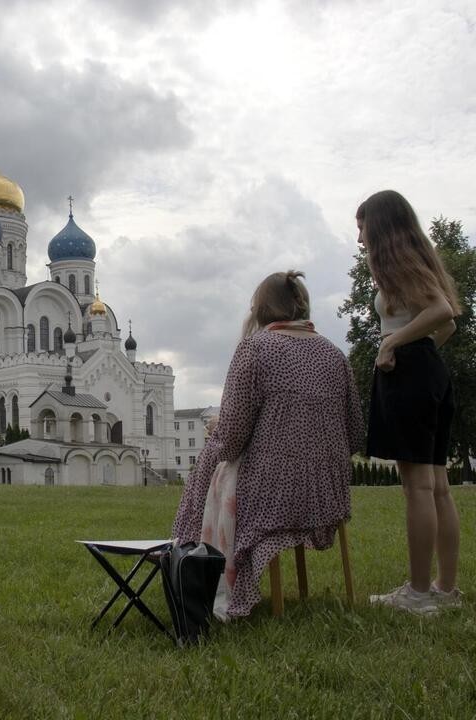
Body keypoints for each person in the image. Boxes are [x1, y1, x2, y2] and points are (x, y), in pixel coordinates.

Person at [173, 271, 363, 619]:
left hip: (271, 494)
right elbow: (355, 433)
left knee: (214, 470)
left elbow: (231, 438)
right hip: (326, 494)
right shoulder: (336, 355)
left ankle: (193, 564)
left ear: (260, 309)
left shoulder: (256, 348)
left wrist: (215, 446)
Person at [357, 190, 462, 614]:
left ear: (381, 226)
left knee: (417, 486)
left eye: (362, 228)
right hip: (428, 369)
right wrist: (422, 351)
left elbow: (439, 310)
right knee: (437, 486)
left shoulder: (396, 262)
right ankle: (444, 589)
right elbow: (448, 322)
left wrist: (395, 344)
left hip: (410, 373)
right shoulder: (419, 258)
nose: (360, 239)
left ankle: (418, 594)